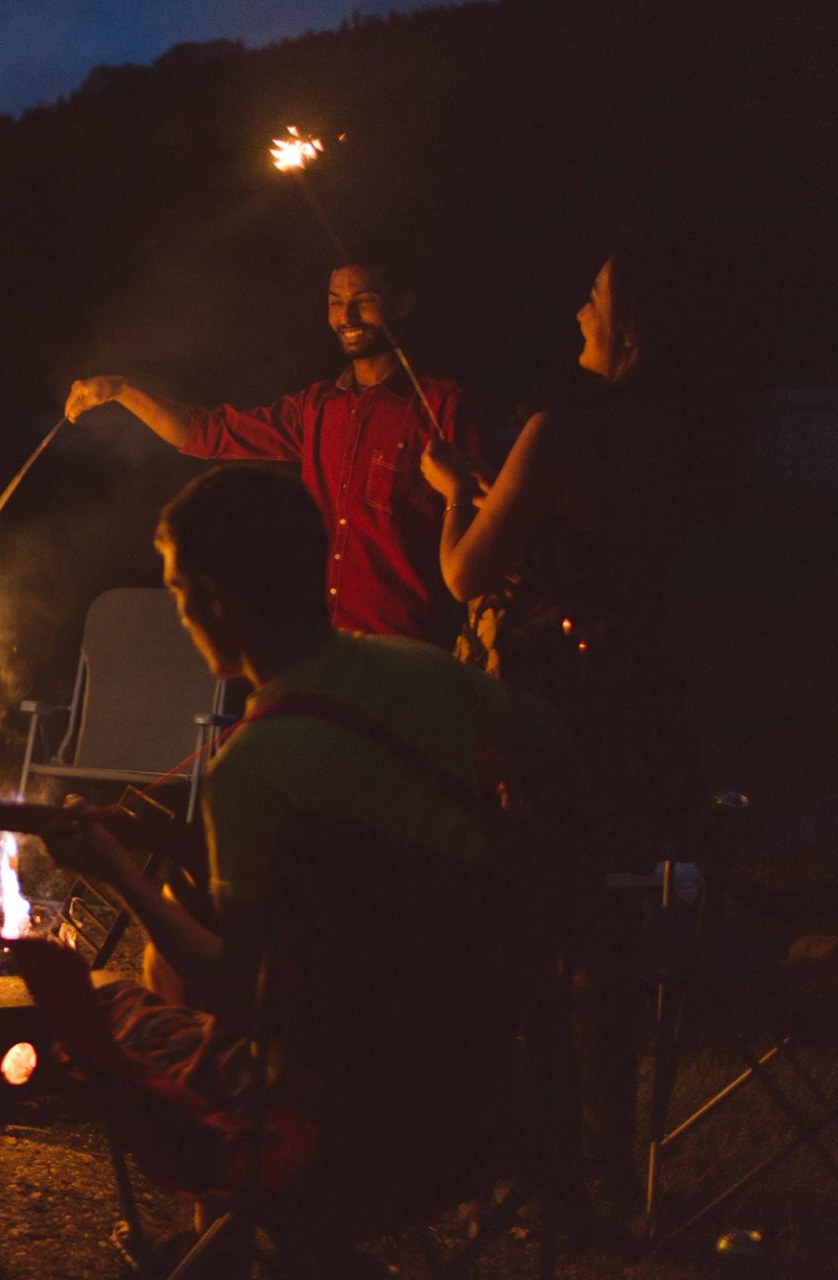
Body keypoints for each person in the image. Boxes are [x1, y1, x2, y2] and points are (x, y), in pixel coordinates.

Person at [52, 465, 568, 1031]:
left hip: (328, 1080)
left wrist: (121, 875)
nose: (180, 615)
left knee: (111, 1006)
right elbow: (550, 740)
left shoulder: (249, 766)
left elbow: (230, 983)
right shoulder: (422, 668)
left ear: (217, 598)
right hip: (461, 1034)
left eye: (178, 590)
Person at [419, 239, 713, 1221]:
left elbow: (465, 572)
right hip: (638, 701)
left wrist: (457, 489)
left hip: (552, 705)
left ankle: (554, 1182)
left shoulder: (557, 424)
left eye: (590, 298)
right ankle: (615, 1168)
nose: (575, 311)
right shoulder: (676, 430)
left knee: (538, 942)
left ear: (618, 320)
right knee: (608, 944)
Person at [64, 247, 488, 646]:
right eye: (336, 301)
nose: (348, 315)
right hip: (322, 645)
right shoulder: (318, 408)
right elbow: (208, 434)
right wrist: (122, 390)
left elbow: (487, 536)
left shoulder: (445, 408)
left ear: (403, 304)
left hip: (407, 653)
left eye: (365, 299)